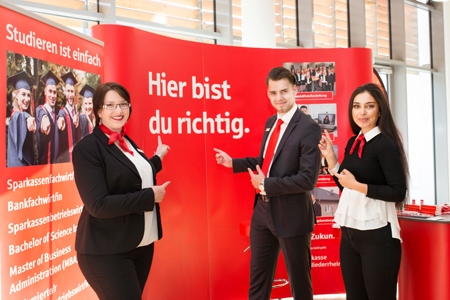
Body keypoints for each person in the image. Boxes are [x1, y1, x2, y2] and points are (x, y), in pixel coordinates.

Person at [214, 67, 322, 300]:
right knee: (258, 281)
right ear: (268, 94)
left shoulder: (308, 127)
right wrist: (233, 162)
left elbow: (307, 179)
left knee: (300, 285)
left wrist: (267, 184)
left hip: (292, 215)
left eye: (284, 91)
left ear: (295, 90)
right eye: (273, 93)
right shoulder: (271, 122)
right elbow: (266, 161)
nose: (279, 97)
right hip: (263, 211)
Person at [72, 82, 171, 300]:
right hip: (106, 250)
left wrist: (157, 158)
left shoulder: (125, 141)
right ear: (99, 111)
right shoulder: (87, 149)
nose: (118, 111)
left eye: (123, 104)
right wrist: (150, 197)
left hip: (140, 245)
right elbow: (98, 205)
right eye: (110, 105)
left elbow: (131, 176)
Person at [318, 83, 408, 300]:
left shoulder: (385, 145)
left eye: (369, 106)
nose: (362, 112)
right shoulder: (353, 142)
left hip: (377, 234)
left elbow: (398, 192)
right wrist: (331, 160)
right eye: (357, 106)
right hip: (350, 234)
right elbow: (345, 186)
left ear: (380, 111)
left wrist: (357, 185)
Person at [7, 71, 36, 167]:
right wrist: (27, 117)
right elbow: (19, 117)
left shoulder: (21, 115)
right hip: (18, 172)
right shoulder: (15, 116)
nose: (27, 99)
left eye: (28, 95)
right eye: (23, 94)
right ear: (16, 95)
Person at [35, 70, 62, 164]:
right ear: (45, 92)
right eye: (50, 91)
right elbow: (40, 113)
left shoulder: (56, 116)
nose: (53, 95)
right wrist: (44, 118)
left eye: (55, 92)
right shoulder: (40, 110)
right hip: (44, 166)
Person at [57, 71, 79, 163]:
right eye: (68, 91)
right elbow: (60, 117)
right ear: (65, 93)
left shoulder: (76, 113)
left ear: (74, 93)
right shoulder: (62, 112)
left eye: (72, 91)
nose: (70, 95)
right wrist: (61, 119)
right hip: (66, 160)